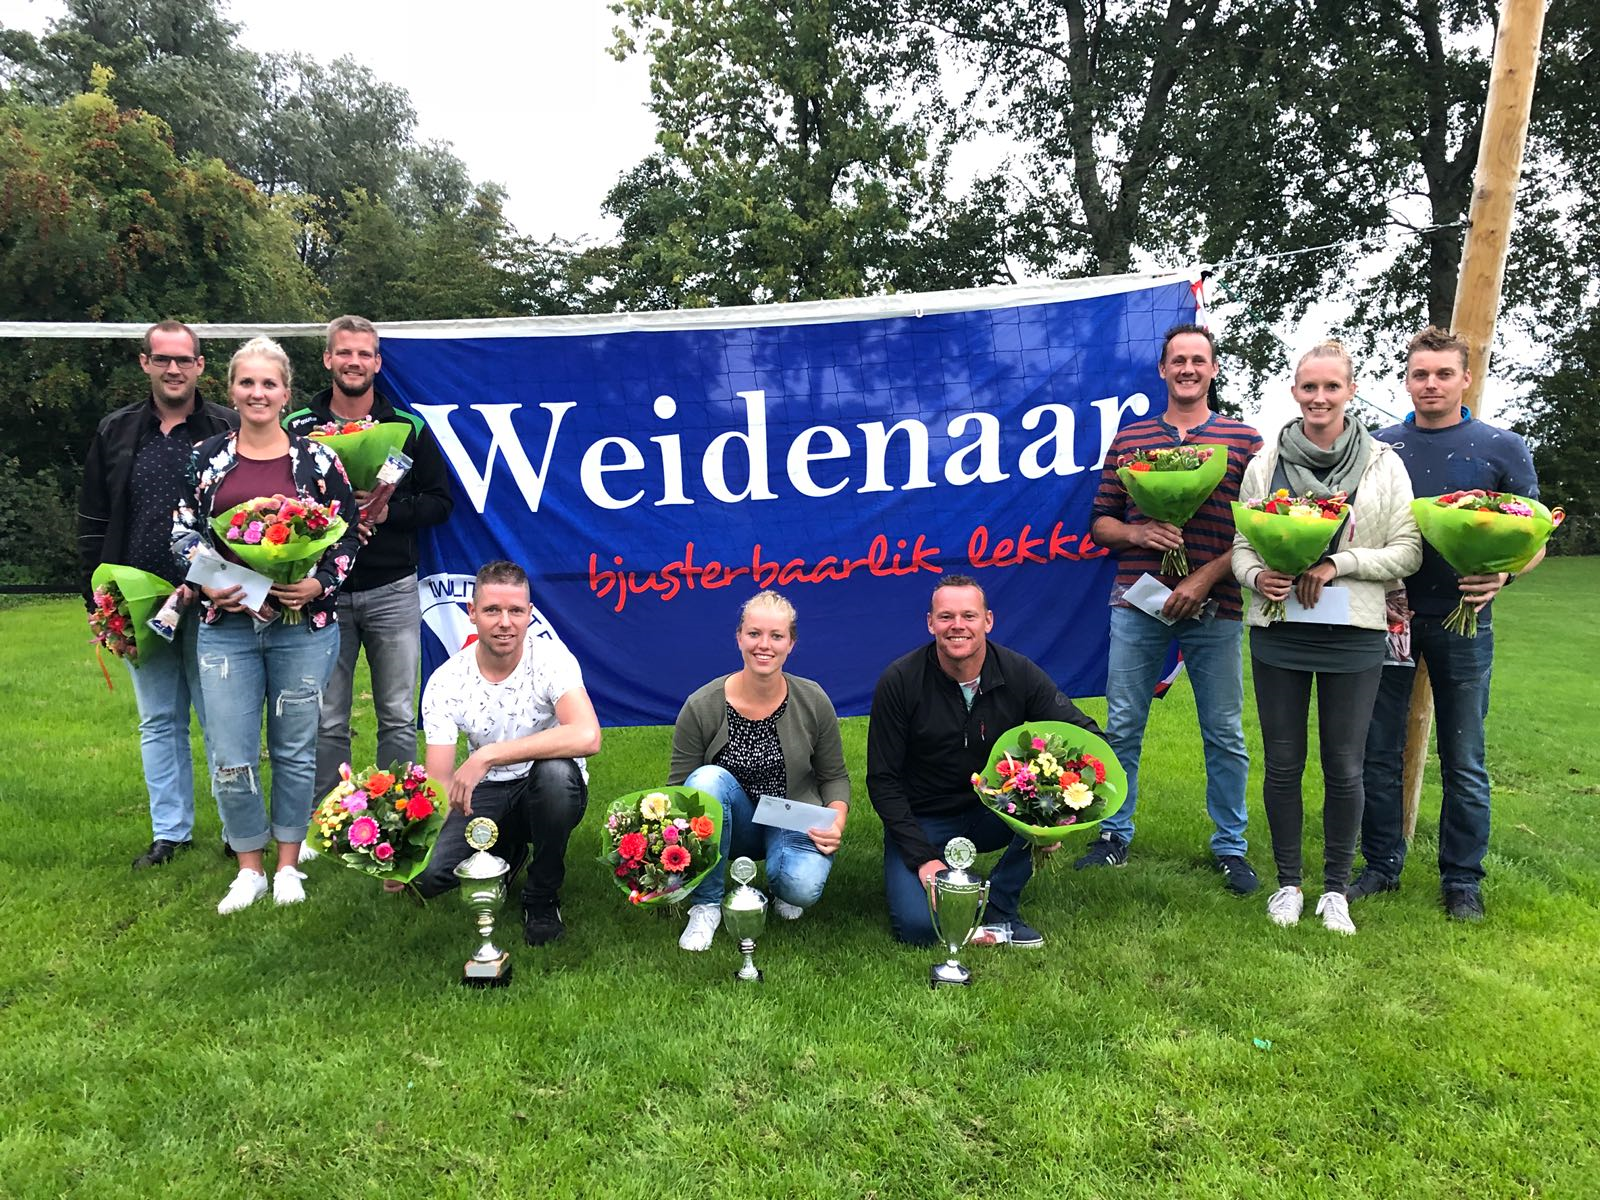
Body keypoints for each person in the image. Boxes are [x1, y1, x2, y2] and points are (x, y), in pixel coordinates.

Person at [1355, 326, 1544, 922]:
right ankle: (1381, 865)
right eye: (1420, 374)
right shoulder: (1380, 447)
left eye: (1442, 374)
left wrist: (1503, 576)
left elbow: (1535, 534)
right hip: (1390, 618)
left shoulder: (1501, 447)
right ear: (1407, 381)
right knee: (1377, 750)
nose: (1430, 384)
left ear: (1466, 378)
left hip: (1464, 621)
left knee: (1464, 756)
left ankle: (1462, 879)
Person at [1232, 340, 1421, 935]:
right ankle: (1288, 884)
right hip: (1280, 628)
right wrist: (1258, 576)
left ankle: (1335, 889)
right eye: (1309, 386)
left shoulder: (1383, 464)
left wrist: (1340, 564)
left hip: (1354, 632)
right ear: (1294, 391)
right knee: (1283, 763)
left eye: (1331, 386)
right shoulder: (1265, 463)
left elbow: (1408, 551)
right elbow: (1242, 545)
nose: (1319, 397)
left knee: (1345, 766)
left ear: (1350, 390)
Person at [173, 336, 360, 914]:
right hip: (225, 623)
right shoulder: (206, 458)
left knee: (296, 748)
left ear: (285, 392)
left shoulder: (318, 461)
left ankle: (287, 864)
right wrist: (209, 581)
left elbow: (347, 535)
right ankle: (248, 868)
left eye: (269, 383)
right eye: (247, 382)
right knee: (231, 752)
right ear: (231, 390)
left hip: (302, 625)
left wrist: (319, 583)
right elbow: (181, 532)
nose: (258, 393)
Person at [1077, 323, 1265, 893]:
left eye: (1198, 360)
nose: (1188, 369)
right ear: (1163, 370)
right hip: (1137, 600)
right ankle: (1113, 834)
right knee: (1123, 724)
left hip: (1217, 603)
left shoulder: (1244, 440)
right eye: (1178, 360)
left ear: (1213, 369)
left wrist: (1205, 577)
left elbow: (1259, 527)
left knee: (1224, 731)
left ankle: (1230, 846)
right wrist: (1139, 534)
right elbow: (1100, 522)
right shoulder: (1131, 439)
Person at [79, 321, 239, 870]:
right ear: (145, 362)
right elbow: (93, 519)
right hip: (139, 602)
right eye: (162, 359)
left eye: (184, 359)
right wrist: (98, 601)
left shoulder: (228, 426)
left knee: (222, 720)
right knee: (159, 720)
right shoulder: (117, 430)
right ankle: (170, 833)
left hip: (214, 597)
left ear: (200, 366)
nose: (174, 369)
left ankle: (237, 831)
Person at [867, 575, 1102, 947]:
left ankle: (1000, 905)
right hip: (923, 817)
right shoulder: (900, 680)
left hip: (994, 807)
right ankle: (947, 883)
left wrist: (1056, 817)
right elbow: (882, 780)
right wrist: (923, 859)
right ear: (930, 623)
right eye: (946, 616)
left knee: (1039, 804)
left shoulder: (1018, 672)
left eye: (969, 616)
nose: (957, 625)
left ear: (988, 621)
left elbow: (1084, 735)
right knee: (918, 929)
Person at [283, 316, 454, 802]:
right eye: (344, 352)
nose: (353, 362)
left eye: (363, 354)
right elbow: (279, 501)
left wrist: (385, 513)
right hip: (321, 591)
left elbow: (440, 502)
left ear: (377, 362)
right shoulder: (297, 427)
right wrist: (331, 521)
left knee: (397, 714)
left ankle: (398, 816)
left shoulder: (406, 426)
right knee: (327, 716)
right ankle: (327, 817)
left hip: (391, 588)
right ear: (327, 359)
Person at [412, 560, 600, 946]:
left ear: (529, 614)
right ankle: (507, 853)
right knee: (429, 877)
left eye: (515, 611)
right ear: (472, 613)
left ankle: (542, 897)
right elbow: (440, 779)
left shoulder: (552, 659)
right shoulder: (446, 680)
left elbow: (587, 735)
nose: (504, 623)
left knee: (555, 774)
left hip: (547, 789)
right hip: (488, 792)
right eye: (492, 610)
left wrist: (489, 755)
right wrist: (408, 854)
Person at [668, 591, 850, 952]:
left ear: (791, 644)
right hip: (730, 821)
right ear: (739, 638)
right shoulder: (701, 704)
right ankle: (706, 905)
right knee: (706, 780)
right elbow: (680, 789)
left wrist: (836, 822)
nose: (764, 645)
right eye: (754, 634)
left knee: (802, 888)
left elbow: (834, 777)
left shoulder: (813, 699)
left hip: (791, 816)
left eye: (776, 636)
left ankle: (783, 884)